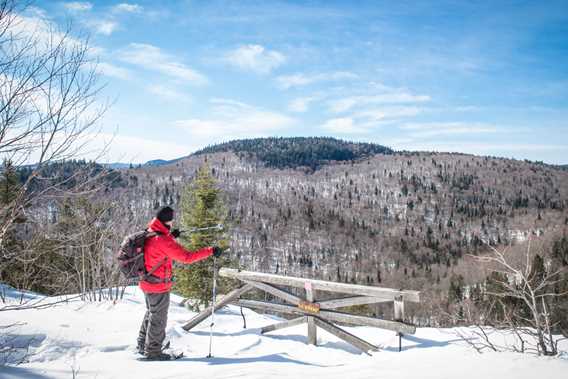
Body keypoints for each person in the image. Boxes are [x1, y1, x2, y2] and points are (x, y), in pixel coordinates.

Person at [137, 206, 222, 360]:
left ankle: (143, 344)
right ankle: (153, 351)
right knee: (158, 318)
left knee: (152, 313)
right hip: (157, 285)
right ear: (168, 220)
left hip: (147, 282)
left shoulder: (151, 231)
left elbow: (158, 248)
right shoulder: (162, 240)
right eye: (172, 219)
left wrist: (170, 236)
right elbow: (187, 257)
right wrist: (210, 251)